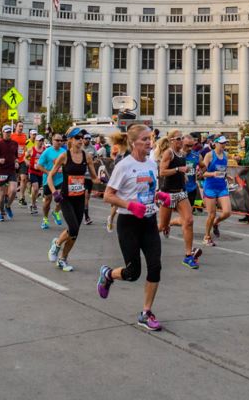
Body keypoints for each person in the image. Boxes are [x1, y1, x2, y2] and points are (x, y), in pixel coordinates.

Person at [98, 124, 173, 331]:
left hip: (148, 220)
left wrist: (160, 196)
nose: (150, 143)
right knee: (133, 273)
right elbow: (108, 195)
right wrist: (130, 205)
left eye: (150, 139)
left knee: (155, 266)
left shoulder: (150, 164)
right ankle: (108, 274)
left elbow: (150, 190)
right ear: (133, 143)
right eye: (145, 140)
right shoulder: (124, 166)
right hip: (129, 222)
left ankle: (146, 312)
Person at [47, 127, 101, 272]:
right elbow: (50, 176)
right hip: (65, 198)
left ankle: (62, 258)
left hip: (79, 198)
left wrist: (101, 180)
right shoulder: (64, 156)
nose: (80, 141)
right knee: (73, 228)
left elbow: (94, 177)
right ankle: (57, 245)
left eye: (82, 138)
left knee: (75, 232)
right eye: (77, 138)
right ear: (70, 140)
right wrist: (54, 193)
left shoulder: (87, 156)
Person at [155, 129, 202, 269]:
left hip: (181, 193)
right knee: (162, 226)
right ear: (172, 141)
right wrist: (178, 170)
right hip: (167, 194)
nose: (182, 141)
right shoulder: (169, 153)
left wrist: (190, 174)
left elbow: (184, 171)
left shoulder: (182, 154)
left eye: (182, 138)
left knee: (189, 221)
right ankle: (141, 237)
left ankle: (188, 256)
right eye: (179, 138)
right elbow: (162, 172)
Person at [202, 136, 233, 246]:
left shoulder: (226, 155)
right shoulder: (209, 155)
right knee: (211, 214)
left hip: (222, 187)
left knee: (227, 212)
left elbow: (222, 171)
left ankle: (216, 223)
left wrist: (227, 176)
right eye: (221, 143)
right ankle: (207, 237)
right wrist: (212, 174)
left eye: (225, 143)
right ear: (215, 143)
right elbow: (201, 173)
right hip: (210, 187)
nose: (223, 145)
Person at [37, 132, 67, 228]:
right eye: (57, 140)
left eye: (61, 140)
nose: (59, 142)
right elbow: (38, 166)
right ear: (52, 141)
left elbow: (67, 164)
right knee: (47, 201)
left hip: (60, 179)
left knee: (61, 199)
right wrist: (48, 172)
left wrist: (64, 169)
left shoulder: (64, 152)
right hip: (48, 180)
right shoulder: (47, 152)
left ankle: (56, 212)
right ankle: (45, 219)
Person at [0, 125, 20, 220]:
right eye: (6, 132)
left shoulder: (15, 143)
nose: (8, 134)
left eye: (9, 132)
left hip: (11, 170)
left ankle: (8, 206)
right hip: (1, 171)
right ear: (3, 132)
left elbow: (16, 156)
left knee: (13, 190)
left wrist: (16, 161)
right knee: (2, 194)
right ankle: (1, 213)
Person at [105, 132, 129, 233]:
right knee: (118, 202)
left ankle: (111, 218)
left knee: (120, 202)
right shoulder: (121, 155)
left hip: (127, 180)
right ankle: (111, 218)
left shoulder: (126, 152)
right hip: (120, 180)